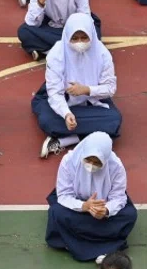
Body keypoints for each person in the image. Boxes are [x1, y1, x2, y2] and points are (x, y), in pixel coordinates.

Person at [32, 13, 120, 159]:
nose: (80, 42)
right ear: (67, 37)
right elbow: (54, 93)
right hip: (62, 100)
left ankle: (68, 139)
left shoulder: (103, 54)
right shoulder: (56, 54)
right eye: (75, 38)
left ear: (92, 35)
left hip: (91, 99)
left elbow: (110, 88)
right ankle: (86, 131)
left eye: (84, 37)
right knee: (48, 120)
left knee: (114, 119)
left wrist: (86, 89)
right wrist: (66, 114)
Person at [46, 132, 138, 263]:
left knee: (129, 215)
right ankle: (107, 246)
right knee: (57, 212)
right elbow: (64, 194)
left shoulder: (116, 166)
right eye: (88, 159)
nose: (91, 165)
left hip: (103, 206)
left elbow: (118, 197)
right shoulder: (69, 161)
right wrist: (84, 206)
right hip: (77, 206)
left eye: (97, 162)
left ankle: (73, 242)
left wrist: (105, 210)